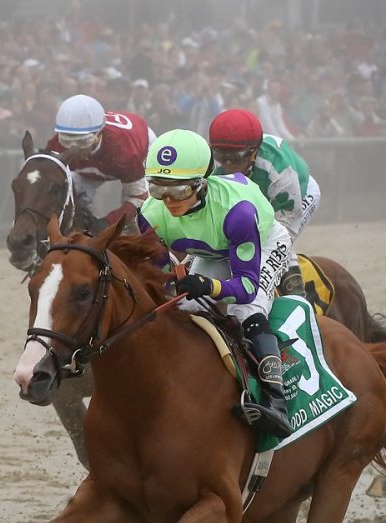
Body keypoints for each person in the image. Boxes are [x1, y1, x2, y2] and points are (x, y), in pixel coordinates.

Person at [137, 129, 293, 439]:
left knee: (247, 309)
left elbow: (246, 287)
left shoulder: (238, 212)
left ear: (201, 184)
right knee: (183, 307)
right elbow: (157, 277)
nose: (168, 201)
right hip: (210, 248)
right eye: (158, 189)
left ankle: (277, 402)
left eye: (178, 192)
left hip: (262, 242)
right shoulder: (150, 215)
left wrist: (207, 285)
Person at [208, 109, 320, 297]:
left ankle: (298, 296)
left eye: (235, 158)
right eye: (220, 155)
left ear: (254, 153)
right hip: (256, 189)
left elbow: (284, 229)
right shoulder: (212, 165)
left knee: (276, 240)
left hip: (298, 193)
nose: (227, 165)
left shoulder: (280, 171)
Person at [44, 93, 153, 227]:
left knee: (138, 217)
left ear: (98, 133)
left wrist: (107, 223)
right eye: (67, 141)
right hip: (99, 164)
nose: (74, 150)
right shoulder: (56, 145)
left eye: (82, 142)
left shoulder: (123, 150)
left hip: (141, 149)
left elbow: (139, 198)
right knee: (66, 193)